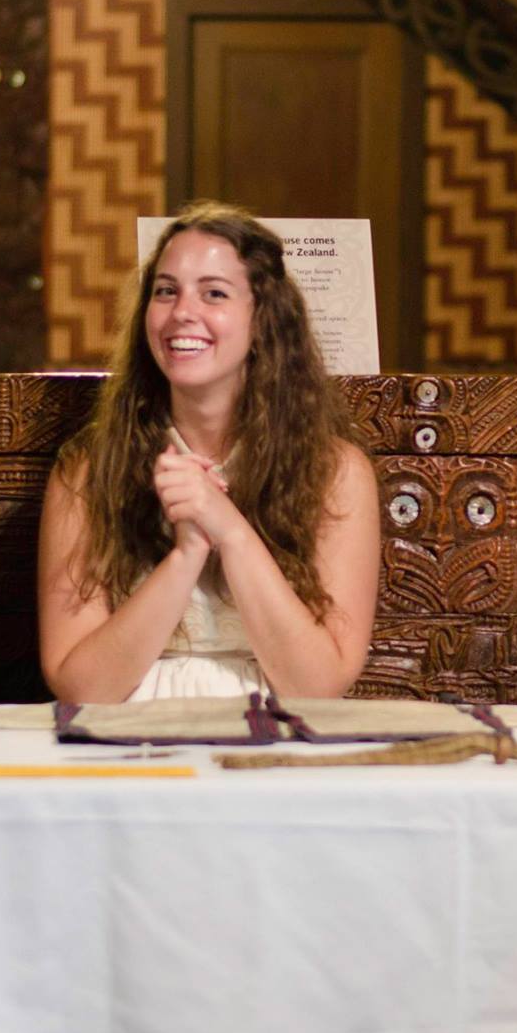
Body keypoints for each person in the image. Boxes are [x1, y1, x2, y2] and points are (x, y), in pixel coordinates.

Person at [38, 201, 380, 702]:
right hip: (127, 737)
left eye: (214, 293)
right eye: (166, 292)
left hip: (277, 734)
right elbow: (80, 687)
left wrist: (228, 527)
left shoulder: (336, 472)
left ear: (263, 320)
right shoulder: (89, 470)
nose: (182, 314)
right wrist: (186, 553)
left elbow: (318, 685)